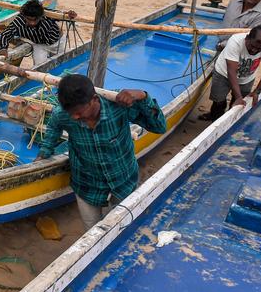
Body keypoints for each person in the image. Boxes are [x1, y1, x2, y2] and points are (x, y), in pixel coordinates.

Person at [37, 74, 167, 229]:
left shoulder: (118, 105)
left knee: (123, 226)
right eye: (70, 112)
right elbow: (53, 128)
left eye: (79, 112)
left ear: (94, 99)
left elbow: (159, 127)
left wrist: (143, 96)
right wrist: (43, 153)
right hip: (86, 184)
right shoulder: (63, 115)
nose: (75, 117)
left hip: (123, 180)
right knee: (92, 230)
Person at [200, 25, 261, 120]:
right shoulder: (235, 41)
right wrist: (239, 97)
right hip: (223, 73)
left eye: (259, 49)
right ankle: (214, 117)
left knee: (238, 104)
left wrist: (257, 91)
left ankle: (229, 119)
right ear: (247, 38)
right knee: (218, 101)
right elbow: (231, 71)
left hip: (247, 78)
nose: (254, 50)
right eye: (252, 46)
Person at [0, 0, 74, 67]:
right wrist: (3, 49)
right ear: (24, 16)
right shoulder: (19, 22)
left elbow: (63, 15)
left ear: (41, 16)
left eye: (35, 19)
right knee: (39, 67)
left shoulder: (48, 14)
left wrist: (69, 15)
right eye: (29, 19)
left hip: (57, 42)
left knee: (60, 64)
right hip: (39, 44)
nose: (32, 23)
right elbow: (4, 35)